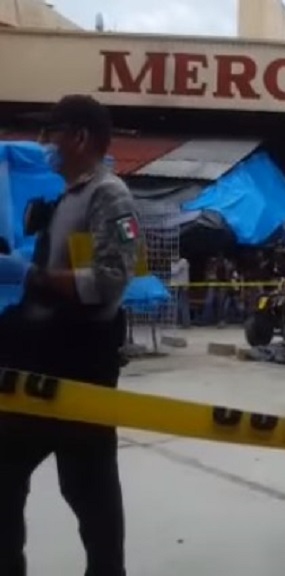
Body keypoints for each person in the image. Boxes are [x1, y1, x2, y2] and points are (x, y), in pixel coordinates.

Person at [0, 94, 139, 575]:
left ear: (79, 137)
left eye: (51, 133)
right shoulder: (69, 197)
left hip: (81, 370)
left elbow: (108, 281)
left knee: (90, 494)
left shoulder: (110, 194)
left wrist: (30, 276)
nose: (44, 144)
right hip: (39, 362)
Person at [170, 254, 190, 328]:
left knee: (183, 305)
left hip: (183, 286)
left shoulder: (183, 261)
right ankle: (176, 322)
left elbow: (174, 271)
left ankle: (186, 324)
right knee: (175, 305)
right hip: (175, 286)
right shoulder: (173, 263)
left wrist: (173, 266)